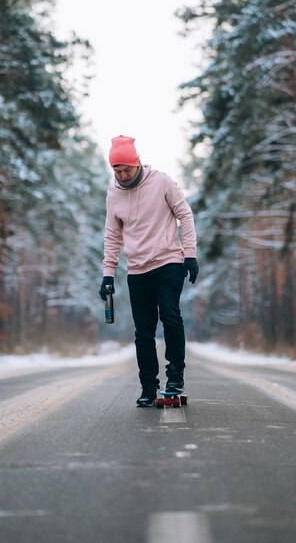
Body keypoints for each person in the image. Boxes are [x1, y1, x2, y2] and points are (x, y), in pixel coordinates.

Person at [99, 135, 198, 407]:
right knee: (143, 331)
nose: (122, 175)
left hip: (169, 262)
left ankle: (175, 375)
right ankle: (148, 386)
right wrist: (108, 275)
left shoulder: (162, 182)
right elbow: (112, 237)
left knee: (170, 314)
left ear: (137, 162)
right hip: (137, 270)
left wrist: (190, 255)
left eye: (127, 169)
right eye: (117, 171)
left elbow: (185, 215)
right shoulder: (114, 195)